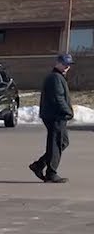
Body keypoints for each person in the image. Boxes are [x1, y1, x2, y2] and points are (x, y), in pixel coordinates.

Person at [29, 53, 75, 183]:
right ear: (58, 63)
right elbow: (58, 98)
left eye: (69, 65)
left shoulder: (59, 77)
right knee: (56, 143)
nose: (66, 67)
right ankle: (51, 173)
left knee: (62, 142)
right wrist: (68, 112)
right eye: (65, 64)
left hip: (56, 115)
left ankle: (39, 165)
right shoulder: (55, 78)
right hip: (55, 116)